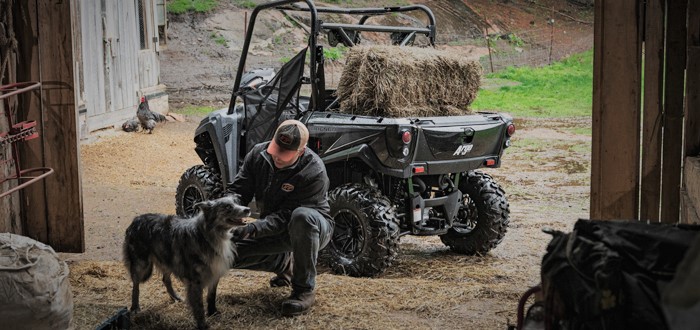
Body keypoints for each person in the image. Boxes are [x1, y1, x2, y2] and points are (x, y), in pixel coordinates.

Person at [227, 119, 333, 317]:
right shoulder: (258, 154)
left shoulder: (313, 171)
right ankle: (283, 264)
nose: (278, 158)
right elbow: (239, 190)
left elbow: (286, 218)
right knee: (222, 255)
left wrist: (252, 230)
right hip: (272, 227)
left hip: (312, 228)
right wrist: (226, 209)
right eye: (276, 150)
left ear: (300, 151)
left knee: (302, 218)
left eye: (285, 155)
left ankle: (304, 290)